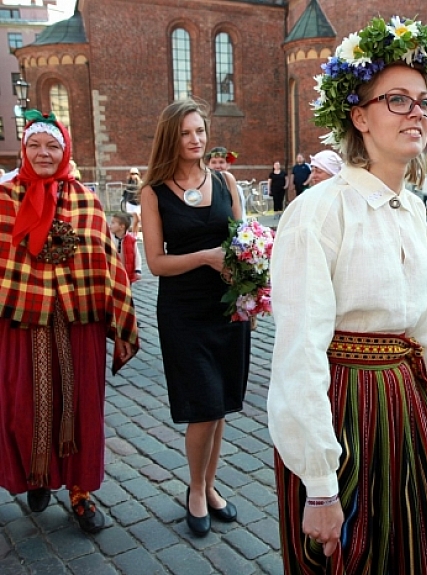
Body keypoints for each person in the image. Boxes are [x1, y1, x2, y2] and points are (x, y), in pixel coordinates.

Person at [268, 16, 427, 573]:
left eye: (424, 101)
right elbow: (299, 352)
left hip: (406, 403)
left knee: (422, 550)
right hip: (345, 406)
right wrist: (318, 485)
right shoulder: (317, 212)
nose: (418, 113)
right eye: (398, 100)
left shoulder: (413, 209)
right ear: (359, 116)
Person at [0, 110, 139, 533]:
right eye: (35, 146)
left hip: (78, 322)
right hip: (22, 323)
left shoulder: (86, 200)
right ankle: (35, 477)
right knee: (24, 409)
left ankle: (80, 492)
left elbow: (106, 263)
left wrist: (119, 321)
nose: (44, 153)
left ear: (65, 151)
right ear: (24, 150)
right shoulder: (5, 200)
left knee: (80, 410)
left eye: (52, 146)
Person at [140, 99, 250, 537]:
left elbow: (245, 244)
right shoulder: (154, 191)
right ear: (172, 137)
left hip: (227, 310)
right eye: (186, 133)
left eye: (200, 131)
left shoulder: (226, 181)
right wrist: (206, 256)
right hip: (183, 312)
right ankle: (195, 490)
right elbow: (155, 263)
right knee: (204, 405)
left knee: (219, 406)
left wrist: (251, 293)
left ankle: (209, 484)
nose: (196, 139)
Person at [205, 147, 246, 217]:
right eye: (213, 162)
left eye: (221, 162)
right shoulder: (205, 186)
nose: (217, 166)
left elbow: (241, 213)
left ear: (228, 164)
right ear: (208, 165)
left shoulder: (236, 188)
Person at [110, 211, 142, 283]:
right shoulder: (108, 238)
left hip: (127, 273)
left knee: (127, 291)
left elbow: (137, 256)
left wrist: (138, 270)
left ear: (122, 226)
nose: (110, 225)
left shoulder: (131, 240)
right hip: (112, 272)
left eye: (113, 223)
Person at [124, 167, 142, 237]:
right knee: (137, 218)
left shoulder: (140, 182)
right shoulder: (129, 182)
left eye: (135, 173)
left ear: (138, 174)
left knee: (136, 221)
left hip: (138, 204)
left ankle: (134, 235)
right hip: (131, 203)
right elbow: (129, 189)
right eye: (132, 174)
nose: (133, 175)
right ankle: (133, 235)